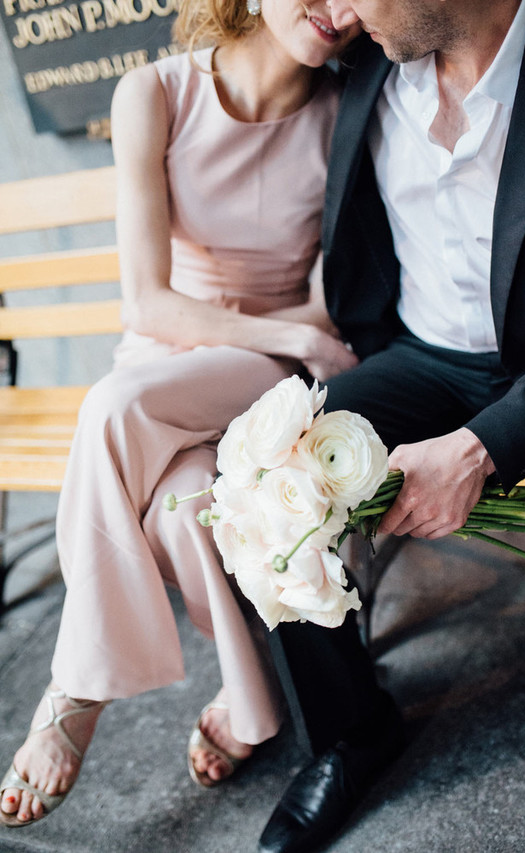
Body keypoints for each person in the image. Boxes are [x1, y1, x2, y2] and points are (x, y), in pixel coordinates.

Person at [0, 0, 362, 831]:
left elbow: (327, 296)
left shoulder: (347, 112)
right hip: (175, 355)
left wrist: (289, 339)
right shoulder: (153, 93)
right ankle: (251, 704)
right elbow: (148, 301)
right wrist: (283, 330)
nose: (338, 9)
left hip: (265, 371)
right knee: (184, 506)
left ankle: (77, 689)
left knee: (112, 408)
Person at [257, 0, 525, 851]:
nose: (340, 10)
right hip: (423, 357)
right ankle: (352, 733)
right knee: (266, 477)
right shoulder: (364, 61)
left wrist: (483, 446)